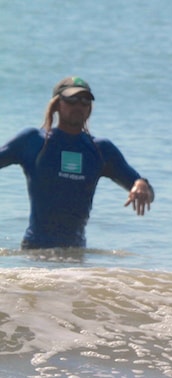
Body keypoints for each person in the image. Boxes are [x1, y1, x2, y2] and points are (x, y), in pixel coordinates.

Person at [0, 76, 154, 249]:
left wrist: (142, 184)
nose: (79, 106)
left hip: (76, 261)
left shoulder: (101, 150)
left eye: (85, 100)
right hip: (36, 255)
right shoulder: (32, 141)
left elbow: (147, 193)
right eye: (72, 99)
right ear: (57, 104)